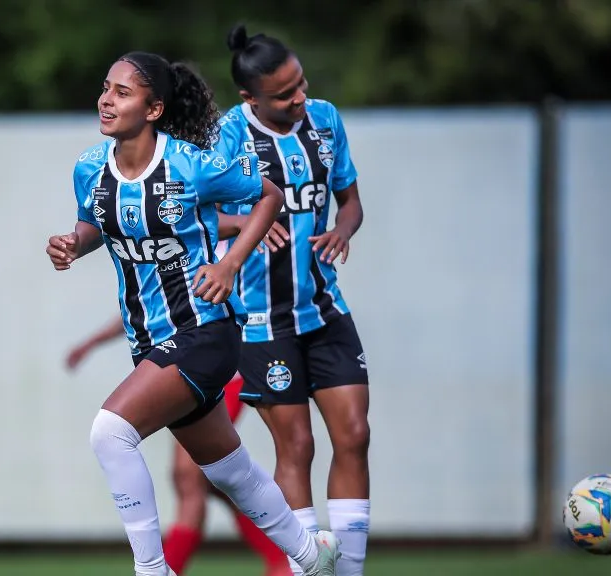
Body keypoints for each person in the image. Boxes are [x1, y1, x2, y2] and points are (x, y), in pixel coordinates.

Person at [45, 51, 339, 576]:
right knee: (228, 469)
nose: (106, 99)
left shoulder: (190, 163)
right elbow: (94, 224)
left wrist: (229, 263)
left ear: (154, 108)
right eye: (105, 88)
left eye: (122, 92)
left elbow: (269, 198)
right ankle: (310, 554)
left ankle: (152, 570)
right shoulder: (90, 166)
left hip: (203, 332)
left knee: (110, 432)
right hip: (149, 342)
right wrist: (73, 243)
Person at [214, 25, 372, 576]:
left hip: (325, 308)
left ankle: (348, 571)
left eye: (300, 84)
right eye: (284, 94)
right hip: (261, 319)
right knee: (297, 447)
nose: (299, 98)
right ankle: (310, 570)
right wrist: (248, 223)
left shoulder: (325, 120)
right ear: (249, 98)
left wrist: (343, 230)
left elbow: (350, 200)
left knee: (354, 434)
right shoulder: (227, 136)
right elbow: (190, 213)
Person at [65, 249, 291, 576]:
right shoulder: (179, 235)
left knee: (189, 475)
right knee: (210, 476)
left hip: (224, 362)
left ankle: (170, 568)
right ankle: (288, 555)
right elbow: (149, 308)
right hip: (190, 358)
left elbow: (257, 223)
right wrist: (92, 342)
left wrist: (257, 219)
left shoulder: (216, 227)